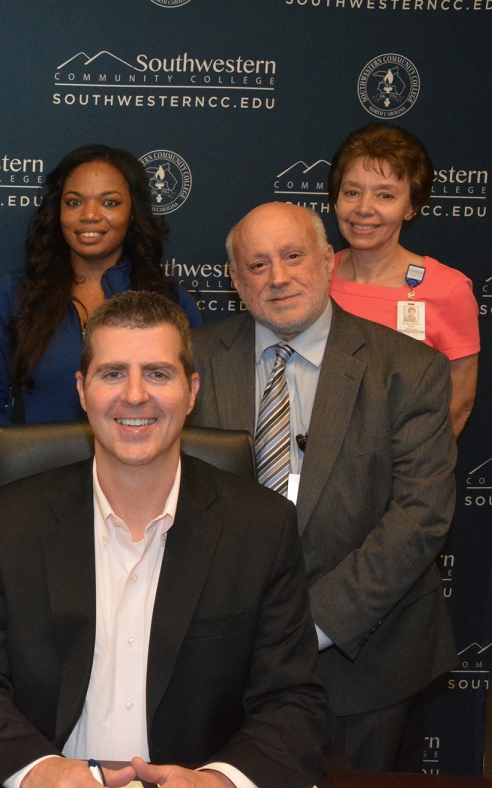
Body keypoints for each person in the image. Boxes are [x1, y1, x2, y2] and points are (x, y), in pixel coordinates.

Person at [0, 291, 330, 788]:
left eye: (158, 374)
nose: (135, 395)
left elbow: (291, 701)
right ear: (82, 390)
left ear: (192, 390)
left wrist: (221, 781)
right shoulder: (10, 523)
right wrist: (41, 773)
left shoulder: (261, 528)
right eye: (113, 373)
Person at [191, 202, 456, 771]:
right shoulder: (189, 362)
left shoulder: (409, 370)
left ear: (329, 263)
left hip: (363, 664)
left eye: (293, 256)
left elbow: (421, 514)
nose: (278, 277)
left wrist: (310, 625)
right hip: (216, 660)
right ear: (235, 281)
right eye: (257, 265)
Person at [0, 145, 203, 456]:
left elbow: (195, 403)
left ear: (132, 213)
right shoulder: (17, 293)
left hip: (141, 483)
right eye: (74, 202)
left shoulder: (171, 302)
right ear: (57, 211)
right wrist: (16, 463)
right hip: (38, 486)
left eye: (109, 202)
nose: (89, 215)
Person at [327, 123, 479, 435]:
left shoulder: (448, 290)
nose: (363, 209)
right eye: (352, 192)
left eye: (385, 195)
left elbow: (458, 404)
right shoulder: (311, 279)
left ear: (410, 207)